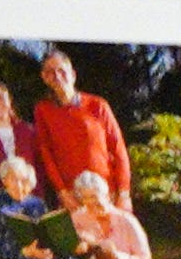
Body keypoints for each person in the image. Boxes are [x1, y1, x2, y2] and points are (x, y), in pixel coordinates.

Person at [20, 49, 130, 219]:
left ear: (73, 74)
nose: (56, 76)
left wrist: (123, 193)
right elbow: (46, 153)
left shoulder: (98, 106)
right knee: (79, 244)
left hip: (106, 194)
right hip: (73, 197)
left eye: (61, 70)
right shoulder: (43, 110)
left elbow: (118, 149)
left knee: (113, 244)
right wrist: (62, 192)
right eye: (50, 72)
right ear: (44, 77)